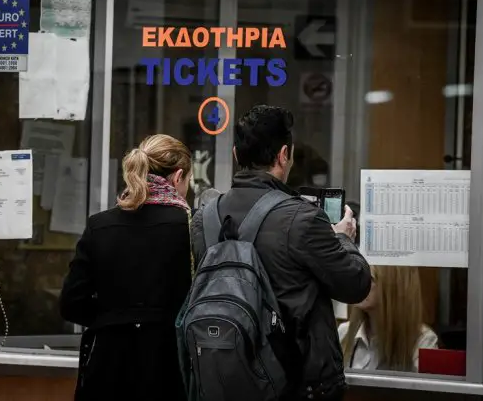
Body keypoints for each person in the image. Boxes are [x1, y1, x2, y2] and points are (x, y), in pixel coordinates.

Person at [190, 105, 372, 401]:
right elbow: (356, 285)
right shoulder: (303, 218)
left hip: (223, 377)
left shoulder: (205, 218)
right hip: (293, 384)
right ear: (284, 154)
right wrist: (343, 238)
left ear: (236, 155)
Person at [59, 134, 193, 401]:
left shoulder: (99, 226)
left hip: (107, 369)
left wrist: (114, 318)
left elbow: (71, 303)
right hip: (170, 370)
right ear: (178, 177)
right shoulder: (192, 227)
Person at [339, 265, 439, 372]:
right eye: (357, 276)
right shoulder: (344, 332)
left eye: (370, 278)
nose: (358, 285)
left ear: (394, 287)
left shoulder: (423, 341)